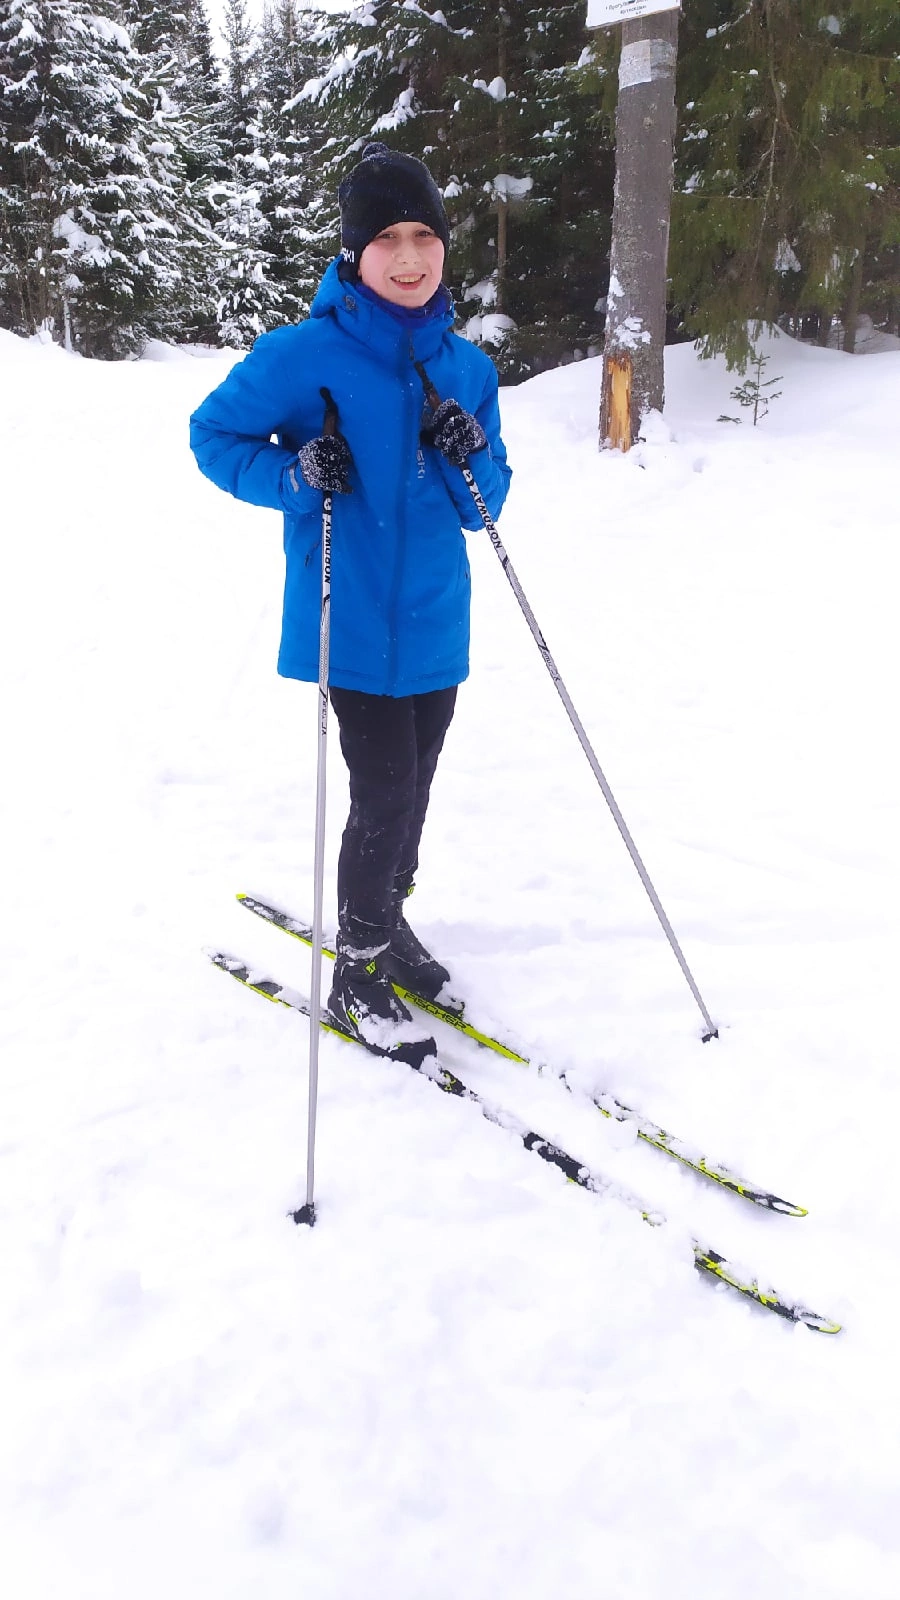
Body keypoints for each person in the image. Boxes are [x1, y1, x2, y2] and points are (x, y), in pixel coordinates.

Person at [190, 142, 511, 1056]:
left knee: (416, 793)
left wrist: (466, 449)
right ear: (353, 254)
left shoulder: (468, 370)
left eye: (424, 236)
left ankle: (389, 920)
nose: (409, 257)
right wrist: (296, 474)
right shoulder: (303, 356)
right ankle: (358, 967)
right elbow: (213, 436)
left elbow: (489, 501)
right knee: (383, 792)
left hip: (436, 622)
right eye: (387, 240)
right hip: (351, 622)